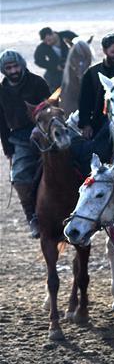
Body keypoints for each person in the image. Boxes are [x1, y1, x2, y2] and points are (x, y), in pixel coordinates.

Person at [0, 50, 50, 238]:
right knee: (20, 176)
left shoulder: (37, 83)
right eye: (9, 68)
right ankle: (33, 218)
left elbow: (50, 108)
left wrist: (42, 128)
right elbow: (2, 123)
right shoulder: (1, 91)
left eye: (15, 66)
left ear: (22, 64)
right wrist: (8, 149)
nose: (13, 70)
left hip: (45, 133)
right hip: (20, 139)